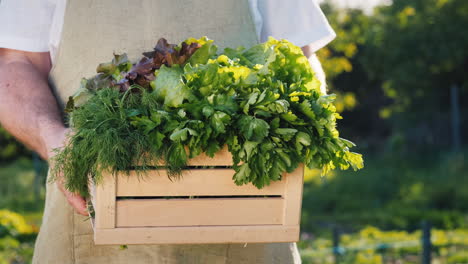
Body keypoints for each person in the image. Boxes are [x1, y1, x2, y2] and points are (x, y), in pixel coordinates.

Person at [0, 0, 335, 263]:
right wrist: (54, 139)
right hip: (87, 217)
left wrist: (297, 122)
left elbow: (298, 57)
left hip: (247, 228)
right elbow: (17, 65)